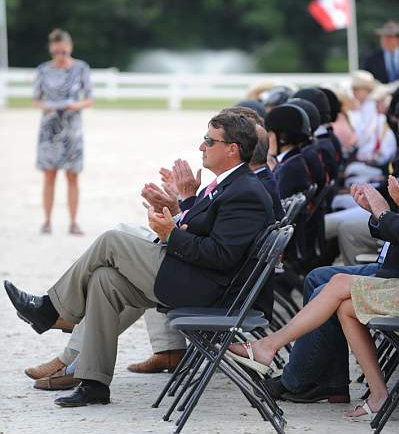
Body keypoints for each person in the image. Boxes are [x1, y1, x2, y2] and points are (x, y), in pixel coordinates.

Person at [4, 111, 275, 407]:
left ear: (232, 149)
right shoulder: (230, 185)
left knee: (112, 240)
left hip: (209, 291)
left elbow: (221, 256)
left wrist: (171, 234)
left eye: (209, 141)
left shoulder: (244, 191)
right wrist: (175, 216)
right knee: (104, 280)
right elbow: (208, 235)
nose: (201, 147)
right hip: (198, 279)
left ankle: (49, 310)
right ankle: (93, 383)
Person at [230, 177, 399, 418]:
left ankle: (271, 351)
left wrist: (384, 213)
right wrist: (378, 213)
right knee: (333, 294)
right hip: (391, 272)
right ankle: (360, 390)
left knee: (333, 287)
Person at [33, 28, 93, 235]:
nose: (60, 56)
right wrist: (48, 106)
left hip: (72, 130)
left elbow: (89, 97)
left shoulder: (81, 68)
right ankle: (47, 221)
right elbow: (36, 100)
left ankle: (73, 222)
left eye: (63, 52)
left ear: (70, 48)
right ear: (51, 50)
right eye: (56, 52)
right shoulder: (42, 70)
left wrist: (76, 105)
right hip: (49, 131)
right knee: (49, 177)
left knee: (73, 177)